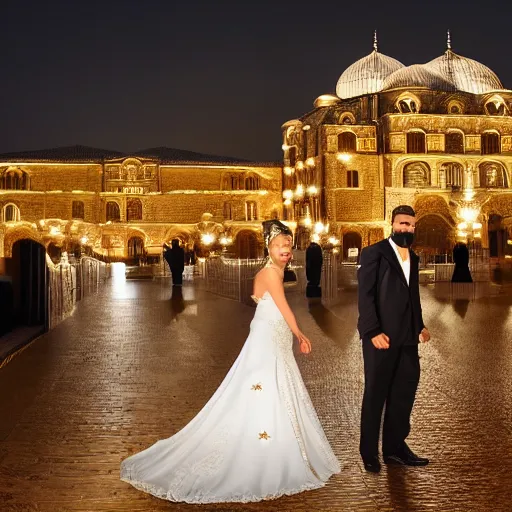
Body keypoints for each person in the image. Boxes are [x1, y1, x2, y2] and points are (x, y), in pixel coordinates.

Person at [121, 219, 340, 503]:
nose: (285, 249)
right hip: (269, 337)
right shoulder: (271, 274)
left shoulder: (272, 271)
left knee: (274, 384)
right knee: (264, 385)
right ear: (269, 248)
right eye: (279, 245)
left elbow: (263, 302)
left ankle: (276, 440)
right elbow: (282, 306)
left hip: (272, 335)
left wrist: (289, 332)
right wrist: (299, 332)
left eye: (288, 245)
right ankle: (266, 445)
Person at [357, 205, 431, 474]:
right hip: (381, 338)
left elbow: (413, 296)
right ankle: (369, 453)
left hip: (408, 339)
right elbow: (365, 297)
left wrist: (420, 326)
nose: (406, 229)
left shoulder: (414, 257)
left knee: (403, 395)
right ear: (392, 224)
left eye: (411, 225)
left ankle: (395, 449)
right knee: (375, 395)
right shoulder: (374, 253)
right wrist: (372, 332)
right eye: (402, 224)